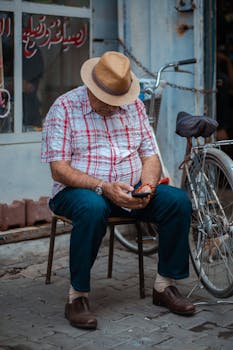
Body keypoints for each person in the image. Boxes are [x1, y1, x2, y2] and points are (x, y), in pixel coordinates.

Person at [41, 51, 195, 330]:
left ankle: (165, 286)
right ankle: (77, 297)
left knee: (177, 202)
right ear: (91, 86)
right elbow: (59, 169)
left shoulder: (134, 107)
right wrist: (102, 187)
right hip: (78, 191)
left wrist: (147, 185)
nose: (114, 107)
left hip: (130, 189)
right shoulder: (64, 108)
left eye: (118, 102)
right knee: (93, 207)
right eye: (107, 101)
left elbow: (150, 157)